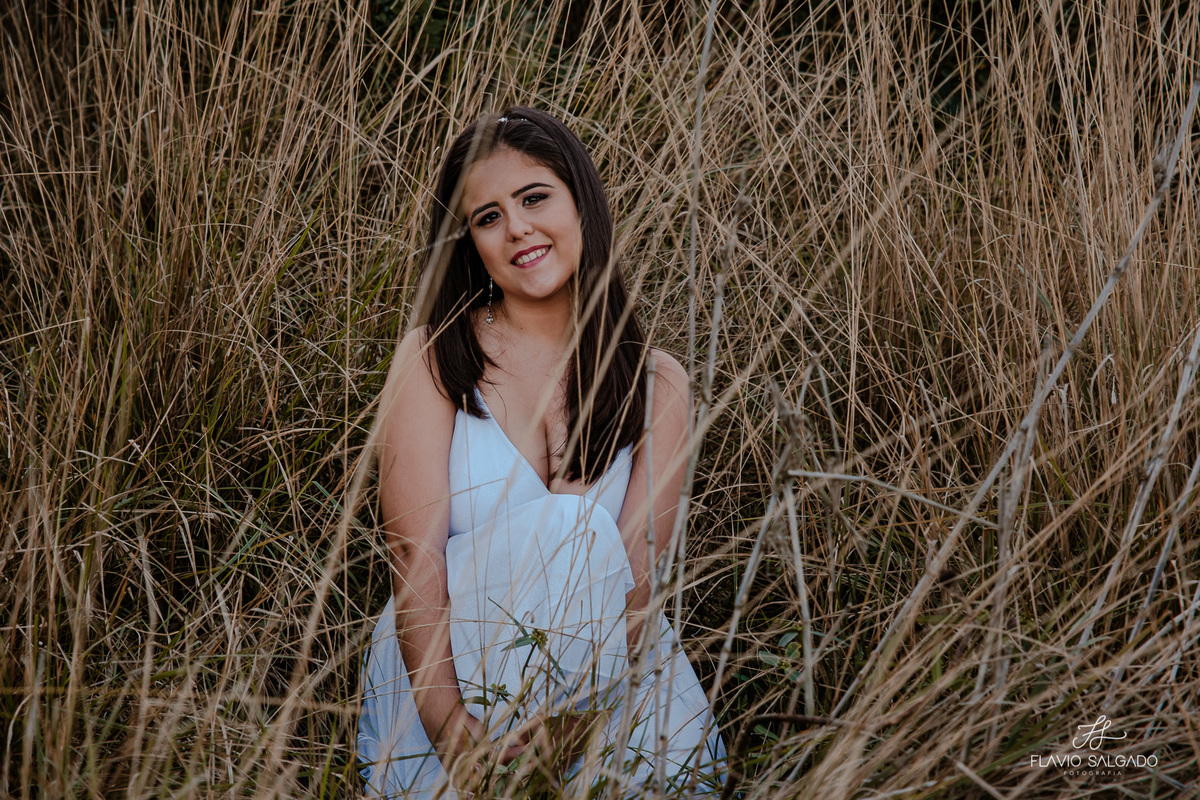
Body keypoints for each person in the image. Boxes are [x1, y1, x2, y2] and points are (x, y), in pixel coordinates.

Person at [358, 106, 725, 798]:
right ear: (471, 243)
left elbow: (641, 576)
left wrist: (565, 733)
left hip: (605, 688)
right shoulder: (435, 358)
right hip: (447, 680)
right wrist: (451, 728)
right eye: (488, 217)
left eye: (534, 198)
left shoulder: (657, 382)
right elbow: (414, 555)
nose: (517, 227)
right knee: (569, 526)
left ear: (580, 201)